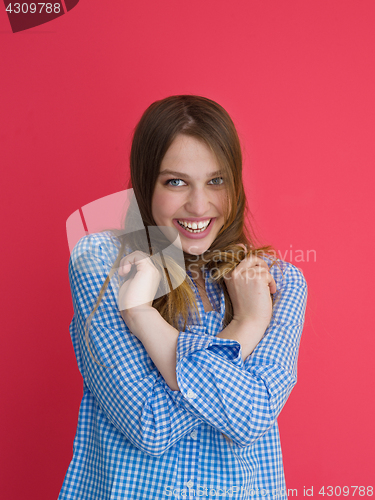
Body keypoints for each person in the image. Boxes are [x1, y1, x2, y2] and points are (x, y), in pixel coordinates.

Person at [58, 95, 307, 500]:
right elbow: (149, 425)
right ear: (145, 183)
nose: (198, 205)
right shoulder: (101, 261)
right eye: (175, 181)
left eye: (216, 180)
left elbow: (254, 416)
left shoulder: (279, 282)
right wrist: (247, 326)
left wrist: (142, 318)